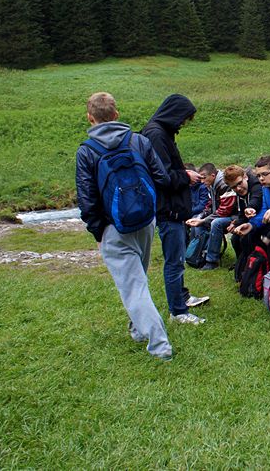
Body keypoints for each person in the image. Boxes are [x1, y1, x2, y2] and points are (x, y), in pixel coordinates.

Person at [75, 92, 173, 360]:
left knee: (133, 287)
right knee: (138, 280)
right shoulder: (138, 141)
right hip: (145, 222)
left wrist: (98, 231)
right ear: (116, 115)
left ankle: (160, 346)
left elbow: (87, 199)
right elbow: (162, 178)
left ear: (90, 118)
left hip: (113, 228)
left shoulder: (87, 151)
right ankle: (139, 330)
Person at [141, 94, 209, 324]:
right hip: (167, 209)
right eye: (183, 119)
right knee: (174, 261)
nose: (183, 124)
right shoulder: (156, 134)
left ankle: (182, 297)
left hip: (172, 208)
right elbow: (161, 176)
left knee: (177, 257)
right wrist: (186, 176)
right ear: (174, 114)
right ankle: (178, 311)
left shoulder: (161, 132)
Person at [185, 163, 235, 270]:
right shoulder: (212, 185)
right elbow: (210, 205)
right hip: (221, 214)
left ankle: (211, 261)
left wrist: (203, 220)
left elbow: (224, 211)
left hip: (234, 217)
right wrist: (201, 216)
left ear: (212, 175)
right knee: (197, 219)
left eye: (204, 177)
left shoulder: (223, 185)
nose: (202, 181)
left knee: (215, 223)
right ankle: (196, 255)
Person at [224, 165, 264, 281]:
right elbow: (241, 213)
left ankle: (251, 268)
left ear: (245, 177)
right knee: (234, 238)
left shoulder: (256, 185)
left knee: (245, 238)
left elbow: (256, 199)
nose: (238, 188)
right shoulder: (239, 193)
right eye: (234, 187)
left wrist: (250, 208)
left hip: (261, 221)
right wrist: (236, 224)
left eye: (239, 183)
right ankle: (242, 263)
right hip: (249, 221)